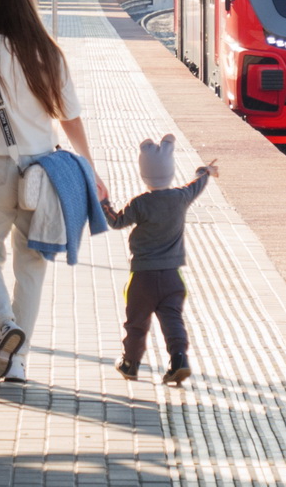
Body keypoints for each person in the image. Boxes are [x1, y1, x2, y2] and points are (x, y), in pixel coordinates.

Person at [0, 0, 102, 383]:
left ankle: (3, 326)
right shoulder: (49, 54)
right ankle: (17, 361)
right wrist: (91, 166)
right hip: (43, 172)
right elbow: (70, 119)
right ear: (28, 9)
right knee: (31, 264)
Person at [102, 135, 213, 386]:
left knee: (136, 322)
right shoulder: (181, 196)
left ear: (144, 174)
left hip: (142, 276)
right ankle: (179, 359)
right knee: (172, 319)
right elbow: (198, 183)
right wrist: (205, 171)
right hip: (172, 276)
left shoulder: (140, 203)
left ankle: (130, 363)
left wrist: (103, 201)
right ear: (170, 171)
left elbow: (117, 221)